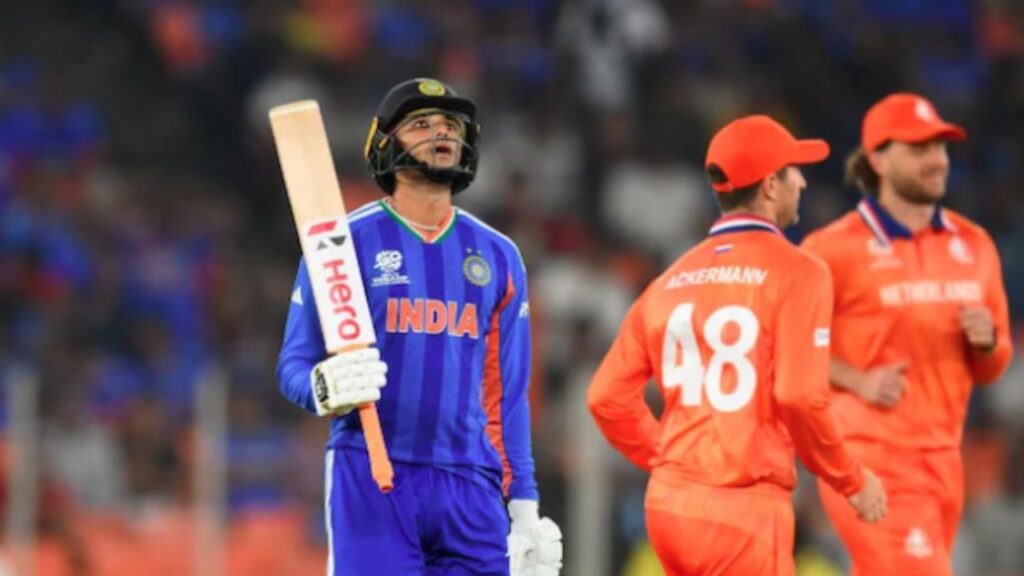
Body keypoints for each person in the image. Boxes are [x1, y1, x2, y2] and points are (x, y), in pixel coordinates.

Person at [276, 77, 562, 576]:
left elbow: (507, 397)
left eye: (450, 124)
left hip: (472, 485)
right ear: (385, 144)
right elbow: (294, 364)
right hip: (373, 473)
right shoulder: (343, 243)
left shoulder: (499, 255)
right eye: (421, 124)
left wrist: (523, 506)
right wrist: (323, 388)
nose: (441, 132)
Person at [588, 115, 888, 576]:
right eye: (794, 172)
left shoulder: (669, 281)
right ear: (769, 186)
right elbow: (799, 396)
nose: (803, 182)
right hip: (743, 510)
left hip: (669, 508)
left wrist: (672, 460)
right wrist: (852, 480)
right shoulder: (799, 272)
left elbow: (605, 397)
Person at [801, 92, 1013, 575]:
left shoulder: (974, 244)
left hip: (944, 460)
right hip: (868, 458)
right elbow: (783, 345)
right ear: (878, 160)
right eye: (919, 149)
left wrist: (987, 343)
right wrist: (856, 379)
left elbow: (993, 366)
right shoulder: (832, 249)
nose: (936, 160)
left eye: (939, 147)